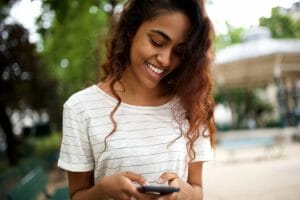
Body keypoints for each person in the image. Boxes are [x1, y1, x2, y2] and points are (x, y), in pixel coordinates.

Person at [57, 0, 216, 199]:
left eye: (179, 52)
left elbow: (197, 190)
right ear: (132, 30)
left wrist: (184, 194)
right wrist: (102, 191)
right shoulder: (80, 108)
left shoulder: (192, 106)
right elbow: (76, 195)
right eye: (157, 42)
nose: (165, 60)